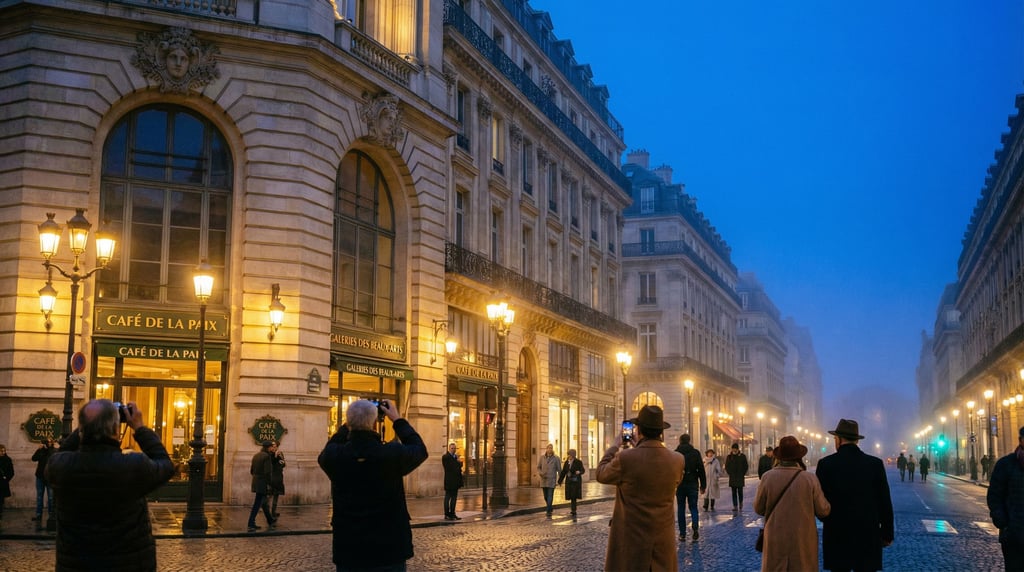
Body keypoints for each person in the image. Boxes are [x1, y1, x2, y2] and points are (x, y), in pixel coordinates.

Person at [44, 399, 174, 570]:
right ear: (115, 429)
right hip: (128, 565)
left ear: (81, 429)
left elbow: (63, 452)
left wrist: (86, 427)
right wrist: (140, 428)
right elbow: (165, 464)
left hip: (77, 565)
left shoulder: (60, 467)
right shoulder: (133, 466)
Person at [318, 399, 427, 572]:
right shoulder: (391, 453)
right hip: (389, 549)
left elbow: (330, 446)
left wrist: (349, 424)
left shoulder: (335, 456)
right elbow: (419, 449)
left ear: (348, 423)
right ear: (375, 423)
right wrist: (397, 420)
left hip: (350, 549)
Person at [596, 405, 684, 572]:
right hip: (662, 543)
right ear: (661, 432)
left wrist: (614, 446)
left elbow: (601, 474)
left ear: (638, 430)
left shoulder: (625, 458)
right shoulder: (677, 460)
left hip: (632, 543)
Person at [815, 418, 894, 571]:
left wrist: (827, 518)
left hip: (836, 532)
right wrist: (887, 533)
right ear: (856, 441)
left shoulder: (826, 464)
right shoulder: (875, 464)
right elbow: (884, 500)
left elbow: (819, 500)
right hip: (867, 532)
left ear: (838, 439)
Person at [754, 436, 831, 572]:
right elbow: (823, 510)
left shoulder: (767, 477)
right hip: (803, 540)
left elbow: (759, 508)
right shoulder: (809, 479)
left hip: (776, 539)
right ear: (799, 457)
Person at [987, 425, 1024, 571]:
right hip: (1013, 535)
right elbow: (994, 495)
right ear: (1021, 441)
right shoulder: (1006, 464)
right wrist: (1003, 523)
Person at [674, 433, 706, 541]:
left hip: (680, 484)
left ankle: (682, 533)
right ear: (689, 441)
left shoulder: (676, 453)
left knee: (681, 508)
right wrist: (703, 485)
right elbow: (701, 469)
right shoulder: (695, 453)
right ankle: (695, 527)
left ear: (680, 441)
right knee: (693, 507)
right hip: (692, 482)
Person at [248, 440, 277, 532]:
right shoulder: (266, 456)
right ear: (268, 448)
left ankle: (270, 520)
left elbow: (252, 471)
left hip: (256, 481)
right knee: (257, 503)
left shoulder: (256, 456)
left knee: (263, 502)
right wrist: (270, 484)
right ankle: (251, 523)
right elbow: (268, 472)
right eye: (271, 447)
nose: (272, 448)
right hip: (263, 482)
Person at [31, 438, 57, 527]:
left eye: (50, 441)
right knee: (39, 496)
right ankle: (38, 515)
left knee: (50, 497)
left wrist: (46, 449)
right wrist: (39, 450)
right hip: (40, 477)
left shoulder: (54, 451)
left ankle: (51, 515)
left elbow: (51, 457)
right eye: (47, 442)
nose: (49, 443)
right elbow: (33, 459)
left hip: (49, 478)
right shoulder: (41, 450)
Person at [557, 448, 585, 517]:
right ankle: (573, 509)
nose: (568, 456)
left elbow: (583, 470)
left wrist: (579, 472)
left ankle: (573, 510)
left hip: (575, 481)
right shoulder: (567, 462)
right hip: (569, 481)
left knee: (574, 496)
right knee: (571, 496)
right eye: (568, 454)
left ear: (573, 455)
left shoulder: (578, 462)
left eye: (569, 454)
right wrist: (560, 481)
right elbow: (564, 472)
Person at [538, 443, 560, 518]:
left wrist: (560, 480)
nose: (549, 449)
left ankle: (548, 511)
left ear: (552, 449)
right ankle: (550, 507)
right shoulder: (542, 457)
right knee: (545, 496)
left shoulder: (556, 458)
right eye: (548, 448)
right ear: (546, 449)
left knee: (550, 495)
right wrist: (541, 473)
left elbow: (559, 469)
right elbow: (538, 467)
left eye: (551, 448)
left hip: (552, 479)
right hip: (544, 479)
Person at [442, 442, 463, 520]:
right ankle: (447, 514)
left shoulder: (455, 458)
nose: (454, 450)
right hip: (449, 481)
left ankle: (452, 513)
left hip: (456, 481)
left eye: (455, 448)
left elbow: (460, 466)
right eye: (452, 448)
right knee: (448, 497)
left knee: (454, 498)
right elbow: (452, 468)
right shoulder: (446, 457)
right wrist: (457, 461)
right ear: (449, 449)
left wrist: (458, 461)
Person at [725, 442, 749, 511]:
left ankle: (740, 503)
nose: (734, 450)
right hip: (732, 477)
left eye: (735, 449)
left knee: (740, 492)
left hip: (740, 477)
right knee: (733, 492)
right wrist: (730, 473)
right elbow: (727, 466)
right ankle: (735, 505)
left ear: (738, 449)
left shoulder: (742, 456)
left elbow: (746, 466)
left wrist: (742, 473)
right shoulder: (729, 457)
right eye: (733, 449)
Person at [269, 440, 286, 518]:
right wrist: (275, 456)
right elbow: (271, 464)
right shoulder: (269, 454)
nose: (273, 447)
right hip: (271, 477)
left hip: (278, 477)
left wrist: (280, 457)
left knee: (276, 495)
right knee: (269, 495)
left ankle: (273, 511)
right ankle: (266, 510)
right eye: (272, 446)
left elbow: (283, 464)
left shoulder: (280, 453)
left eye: (275, 446)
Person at [0, 444, 12, 523]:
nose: (3, 452)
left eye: (4, 451)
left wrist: (6, 479)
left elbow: (11, 472)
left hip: (2, 483)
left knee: (1, 501)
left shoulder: (7, 459)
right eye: (1, 451)